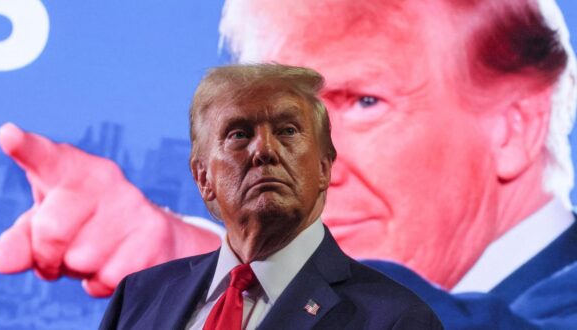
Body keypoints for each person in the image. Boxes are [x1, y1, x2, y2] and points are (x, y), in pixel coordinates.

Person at [0, 0, 577, 327]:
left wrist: (182, 246)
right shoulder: (145, 301)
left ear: (514, 125)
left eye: (365, 101)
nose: (288, 155)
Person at [99, 63, 442, 329]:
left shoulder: (396, 320)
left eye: (287, 131)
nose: (264, 150)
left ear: (324, 167)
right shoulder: (138, 297)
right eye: (239, 134)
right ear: (203, 176)